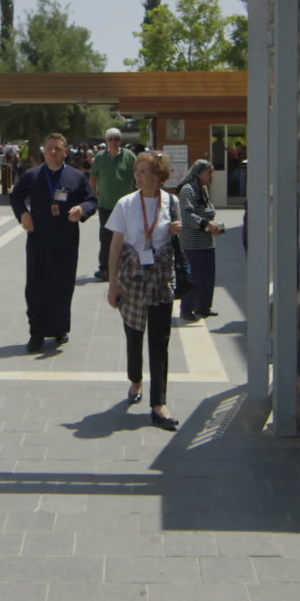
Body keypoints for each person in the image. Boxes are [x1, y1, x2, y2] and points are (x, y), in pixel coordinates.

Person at [105, 151, 183, 431]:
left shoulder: (172, 202)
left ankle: (159, 404)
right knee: (134, 335)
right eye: (136, 170)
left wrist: (178, 229)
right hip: (132, 278)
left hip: (161, 278)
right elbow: (115, 246)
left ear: (158, 176)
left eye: (142, 171)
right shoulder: (126, 204)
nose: (137, 176)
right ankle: (136, 379)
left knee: (160, 340)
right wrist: (113, 285)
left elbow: (177, 235)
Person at [10, 133, 96, 352]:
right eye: (49, 148)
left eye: (58, 148)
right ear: (44, 151)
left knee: (62, 285)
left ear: (65, 152)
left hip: (66, 240)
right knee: (36, 286)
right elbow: (15, 196)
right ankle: (36, 333)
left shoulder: (77, 177)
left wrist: (82, 209)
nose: (53, 152)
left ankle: (60, 328)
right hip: (38, 239)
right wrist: (23, 214)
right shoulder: (32, 176)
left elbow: (91, 200)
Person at [177, 160, 225, 323]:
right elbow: (186, 215)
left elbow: (209, 212)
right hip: (192, 243)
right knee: (193, 276)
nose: (212, 176)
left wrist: (218, 226)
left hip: (207, 242)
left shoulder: (204, 190)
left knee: (207, 277)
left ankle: (203, 307)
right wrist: (206, 224)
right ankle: (186, 308)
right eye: (209, 172)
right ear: (199, 173)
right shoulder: (188, 190)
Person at [88, 127, 136, 282]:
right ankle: (105, 269)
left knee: (127, 238)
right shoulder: (100, 157)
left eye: (117, 139)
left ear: (120, 140)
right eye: (111, 139)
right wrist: (94, 195)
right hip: (105, 205)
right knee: (106, 239)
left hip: (126, 207)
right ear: (106, 141)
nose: (114, 142)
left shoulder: (129, 156)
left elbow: (137, 176)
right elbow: (93, 176)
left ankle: (126, 268)